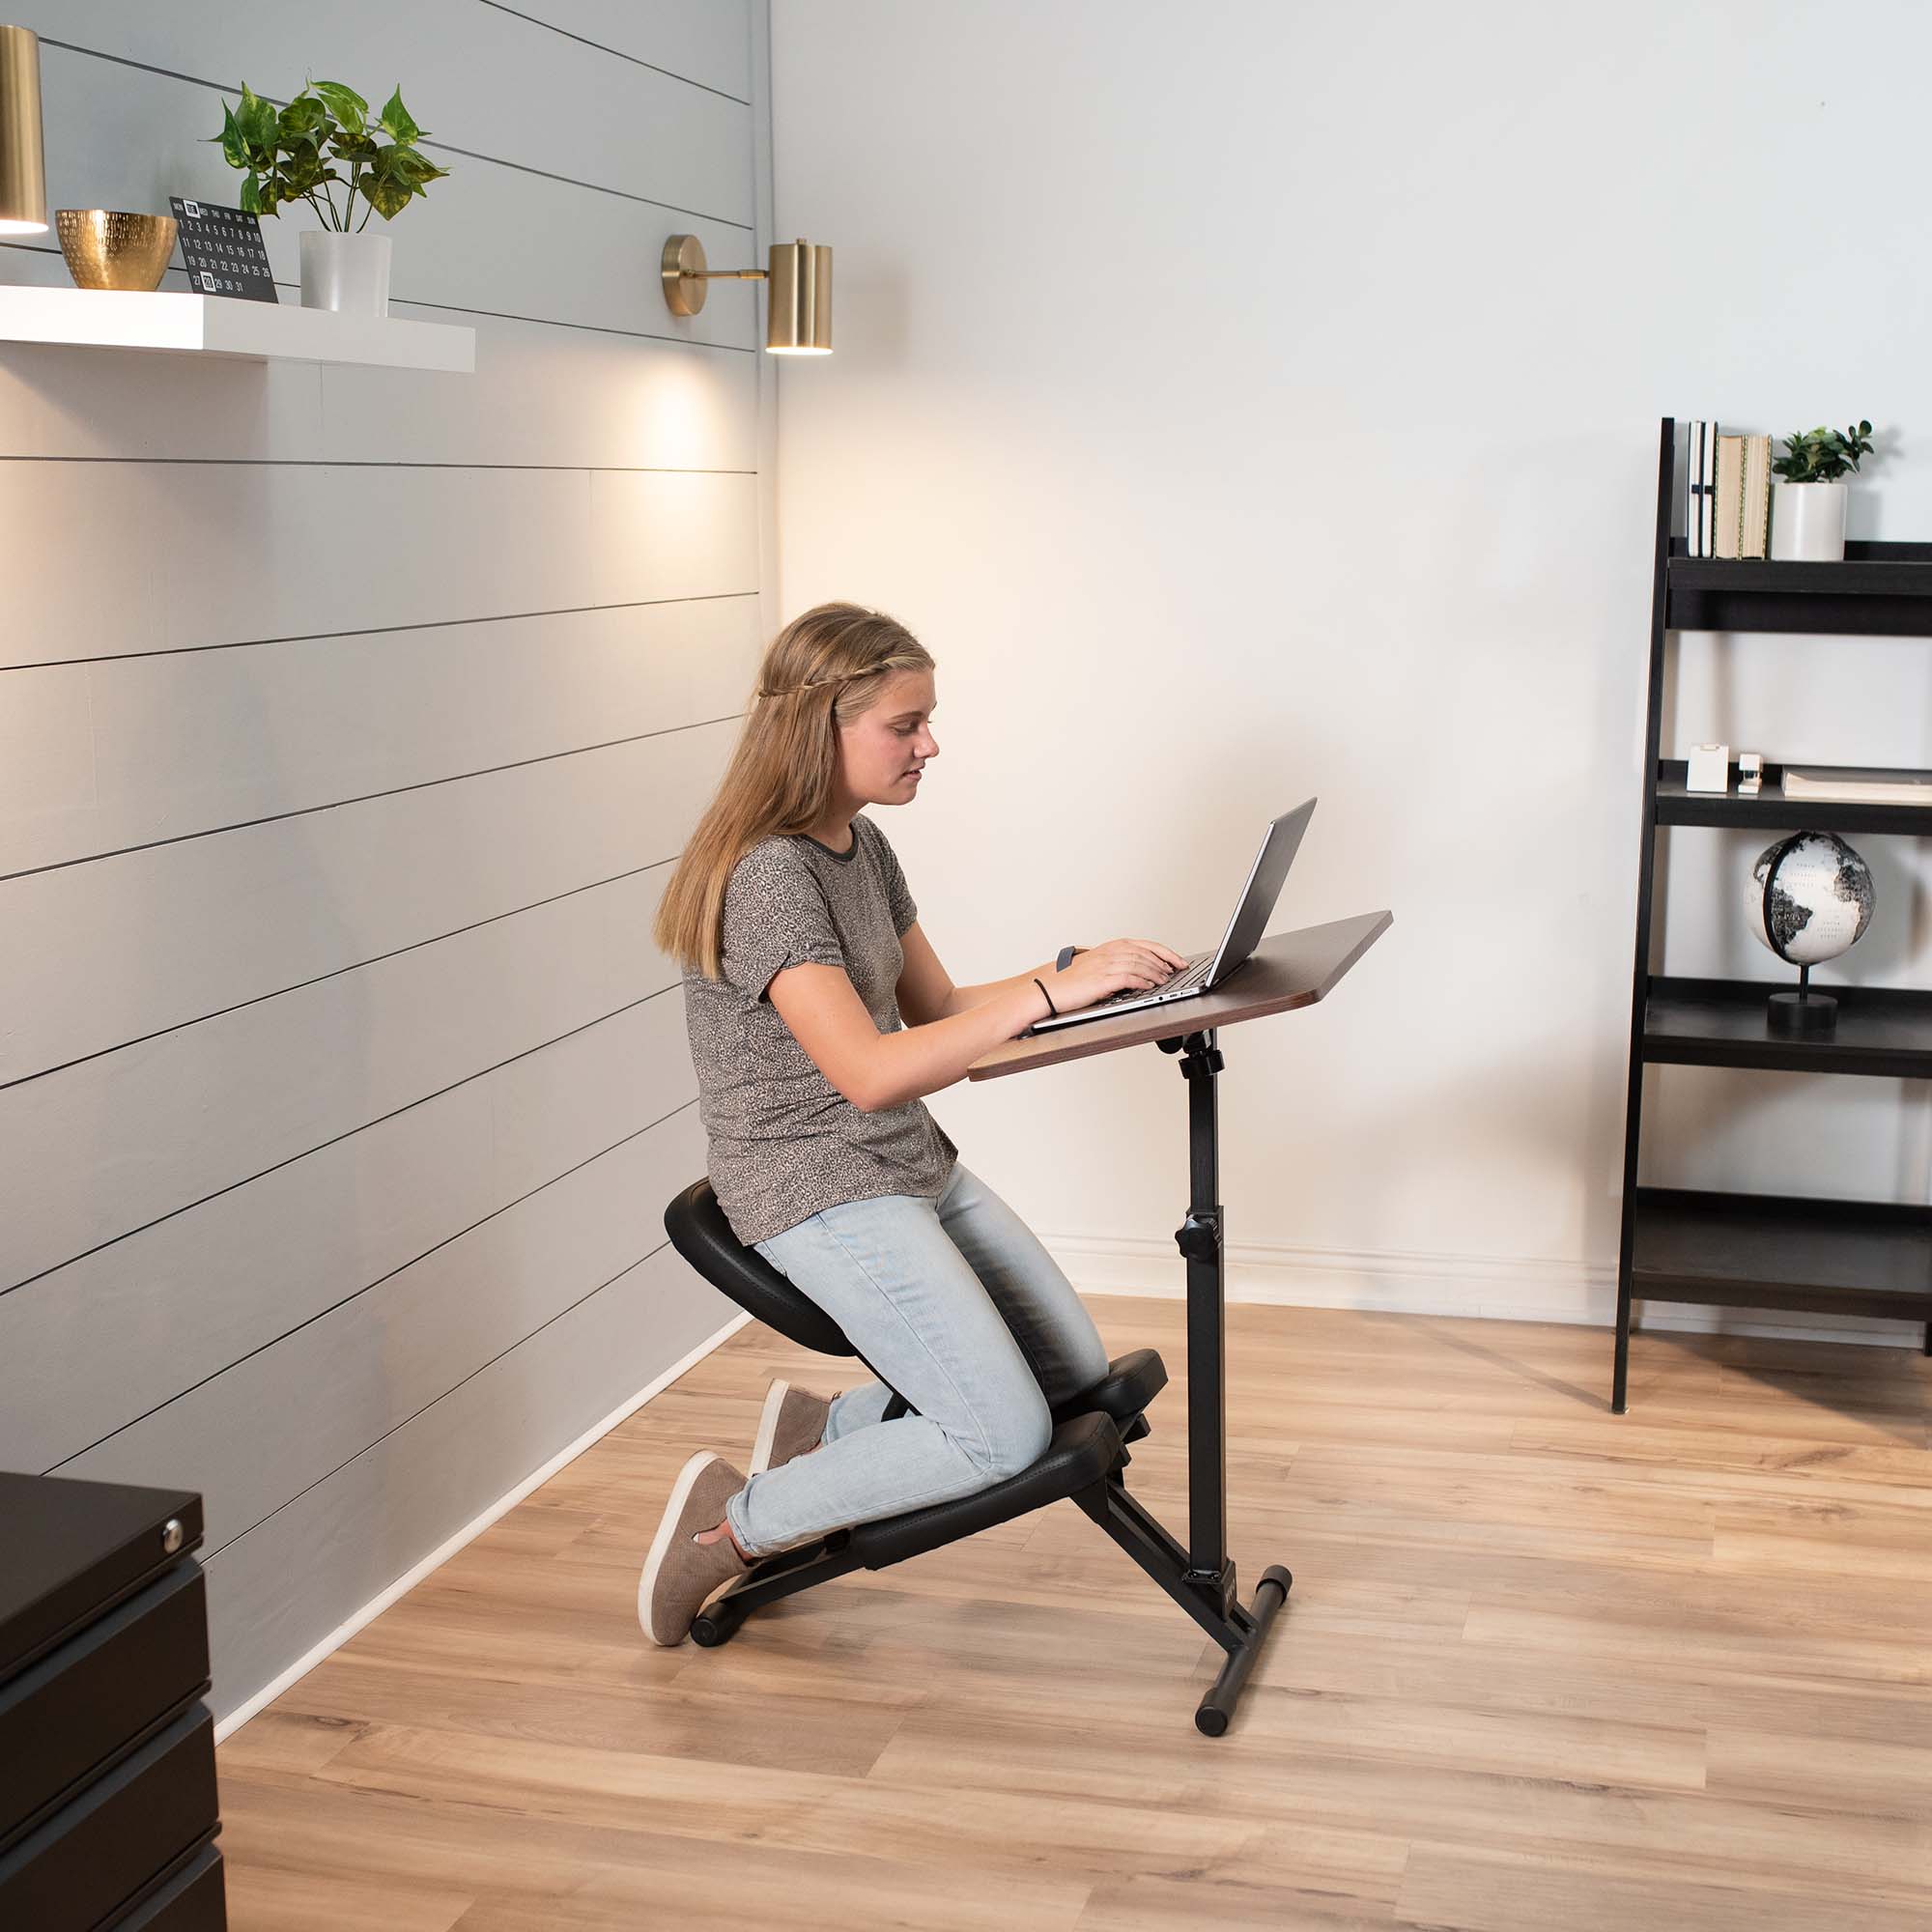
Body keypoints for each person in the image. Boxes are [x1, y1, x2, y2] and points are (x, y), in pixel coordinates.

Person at [639, 600, 1189, 1644]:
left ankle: (827, 1431)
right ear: (821, 727)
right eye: (906, 723)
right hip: (816, 1181)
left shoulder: (859, 847)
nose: (929, 743)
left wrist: (1087, 974)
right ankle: (733, 1528)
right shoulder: (767, 876)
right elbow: (865, 1072)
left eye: (926, 719)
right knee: (1001, 1431)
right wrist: (1044, 998)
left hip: (902, 1163)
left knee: (1072, 1375)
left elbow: (935, 1008)